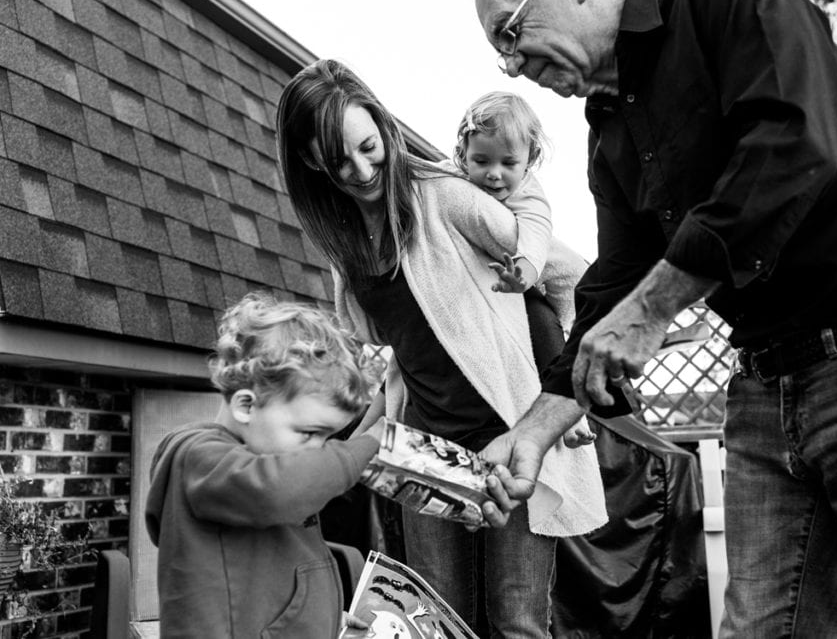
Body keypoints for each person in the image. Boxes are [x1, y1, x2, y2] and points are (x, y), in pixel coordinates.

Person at [469, 0, 837, 636]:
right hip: (764, 387)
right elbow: (619, 282)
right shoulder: (608, 131)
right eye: (498, 54)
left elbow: (795, 139)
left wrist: (655, 305)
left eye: (510, 32)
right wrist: (531, 434)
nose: (511, 66)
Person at [275, 58, 606, 638]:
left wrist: (565, 393)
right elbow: (405, 359)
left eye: (368, 146)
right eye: (337, 160)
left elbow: (569, 275)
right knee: (433, 621)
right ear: (309, 162)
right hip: (426, 452)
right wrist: (342, 453)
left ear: (383, 125)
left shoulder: (446, 198)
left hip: (511, 439)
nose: (360, 169)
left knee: (516, 620)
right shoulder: (348, 249)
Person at [144, 292, 383, 638]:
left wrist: (326, 616)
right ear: (246, 406)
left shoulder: (254, 462)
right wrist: (368, 445)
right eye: (310, 433)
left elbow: (269, 576)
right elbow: (275, 490)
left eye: (327, 437)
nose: (318, 450)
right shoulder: (197, 458)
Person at [452, 90, 595, 447]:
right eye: (481, 161)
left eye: (508, 164)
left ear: (529, 161)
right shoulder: (455, 180)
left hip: (556, 280)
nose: (494, 174)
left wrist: (523, 278)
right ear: (463, 156)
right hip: (506, 276)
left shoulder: (529, 194)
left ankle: (571, 418)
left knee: (548, 329)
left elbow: (534, 241)